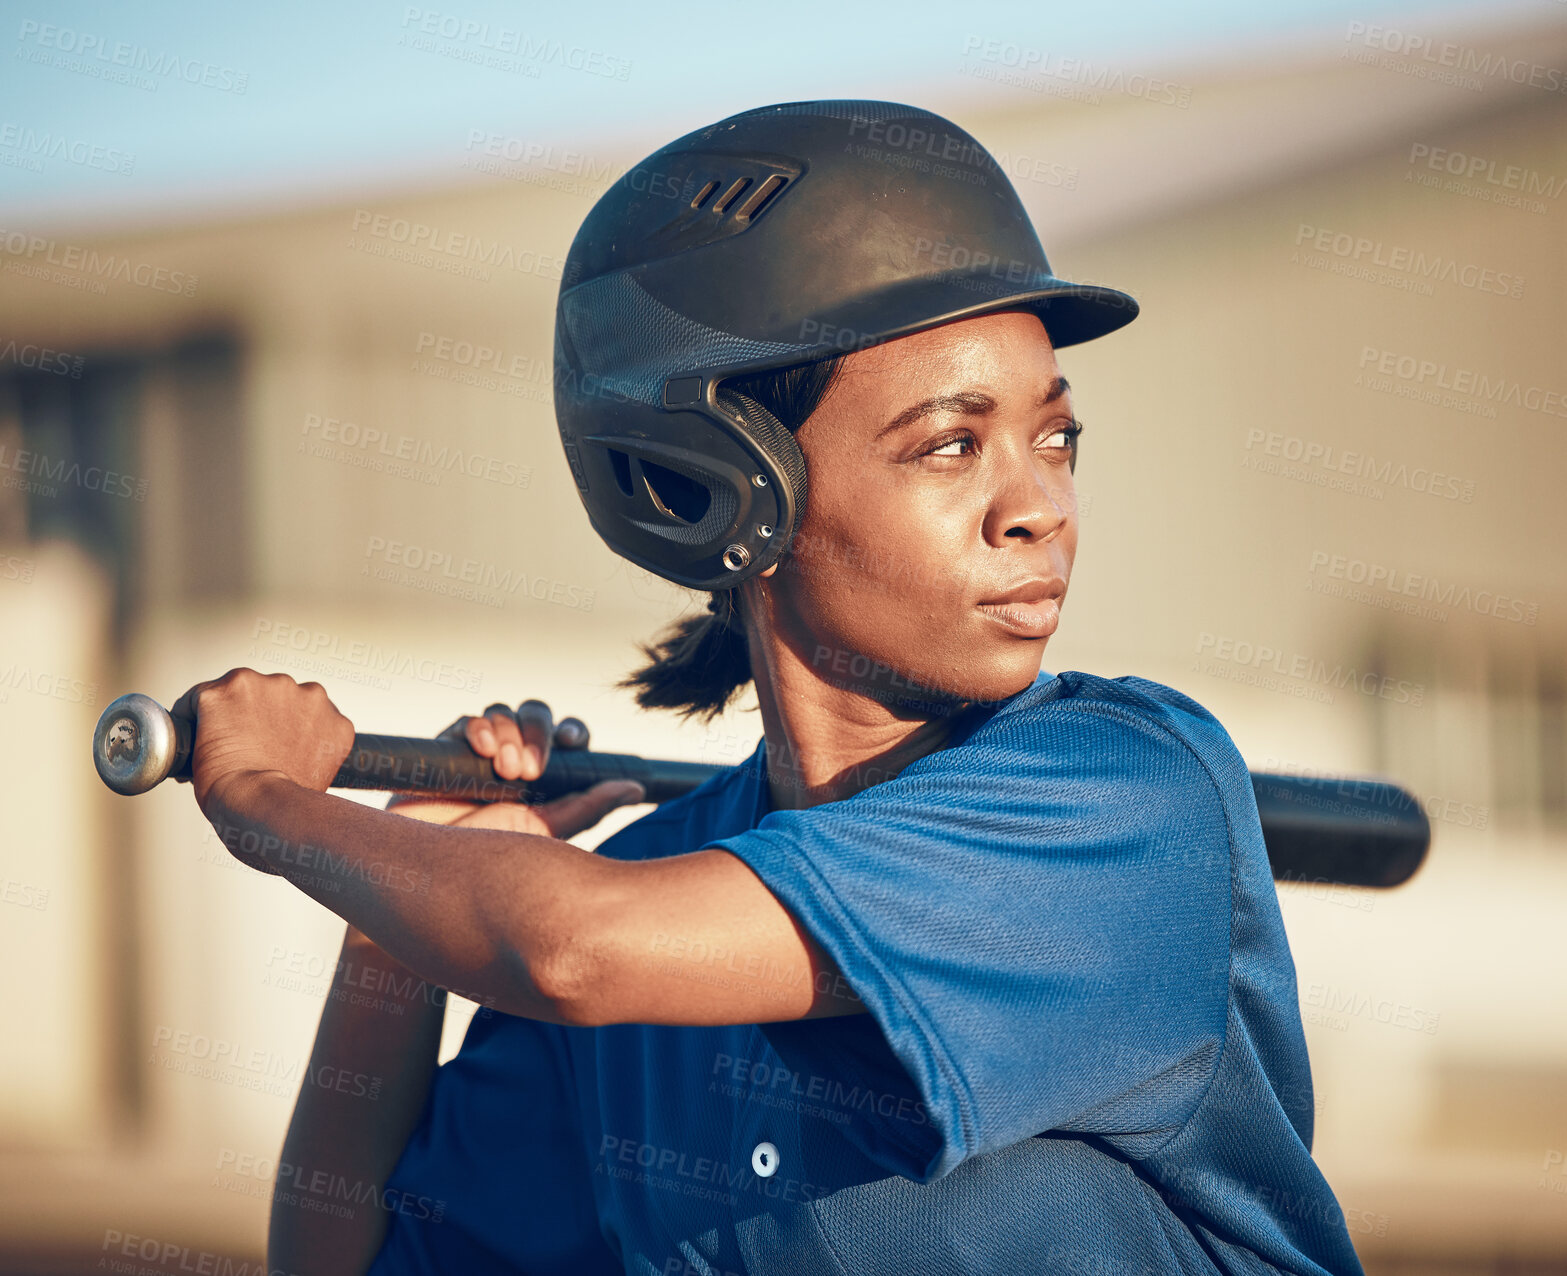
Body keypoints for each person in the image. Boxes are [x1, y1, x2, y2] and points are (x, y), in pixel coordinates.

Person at [179, 101, 1368, 1274]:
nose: (1038, 506)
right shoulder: (641, 897)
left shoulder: (1120, 795)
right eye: (952, 445)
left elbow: (574, 949)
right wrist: (398, 911)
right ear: (719, 490)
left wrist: (273, 803)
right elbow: (340, 1255)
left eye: (1053, 437)